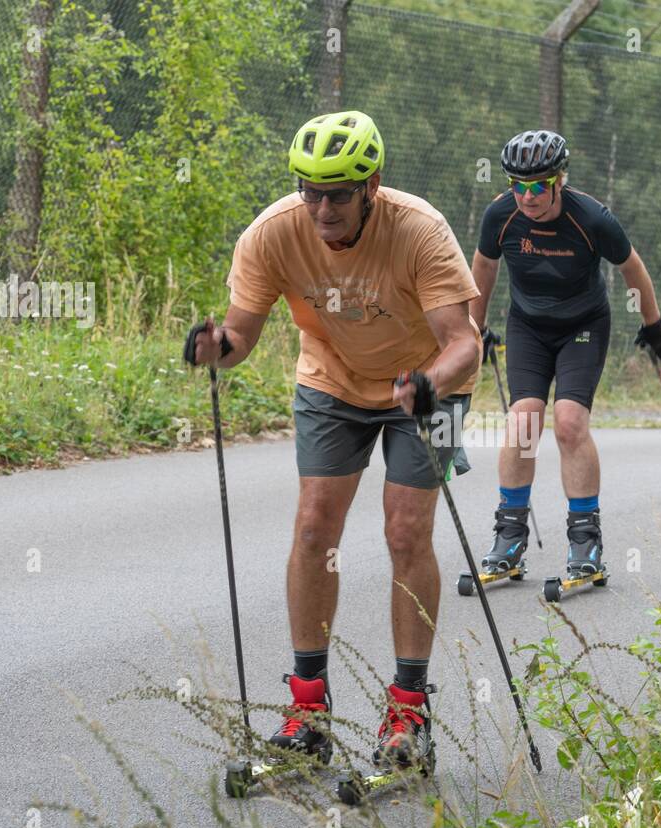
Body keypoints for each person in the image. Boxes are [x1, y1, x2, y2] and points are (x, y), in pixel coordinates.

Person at [184, 110, 482, 771]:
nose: (322, 207)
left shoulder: (420, 231)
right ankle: (308, 710)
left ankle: (408, 714)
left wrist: (428, 384)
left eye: (338, 193)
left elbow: (465, 343)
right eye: (309, 190)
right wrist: (214, 348)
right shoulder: (272, 234)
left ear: (372, 184)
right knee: (315, 527)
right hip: (333, 382)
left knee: (406, 532)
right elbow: (239, 338)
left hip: (428, 385)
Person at [469, 129, 661, 584]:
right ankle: (509, 536)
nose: (527, 196)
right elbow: (483, 266)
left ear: (559, 180)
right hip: (528, 326)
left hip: (583, 326)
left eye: (538, 185)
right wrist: (474, 329)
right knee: (523, 419)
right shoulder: (501, 216)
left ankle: (585, 541)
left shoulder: (592, 218)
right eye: (517, 186)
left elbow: (631, 267)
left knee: (568, 421)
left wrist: (653, 324)